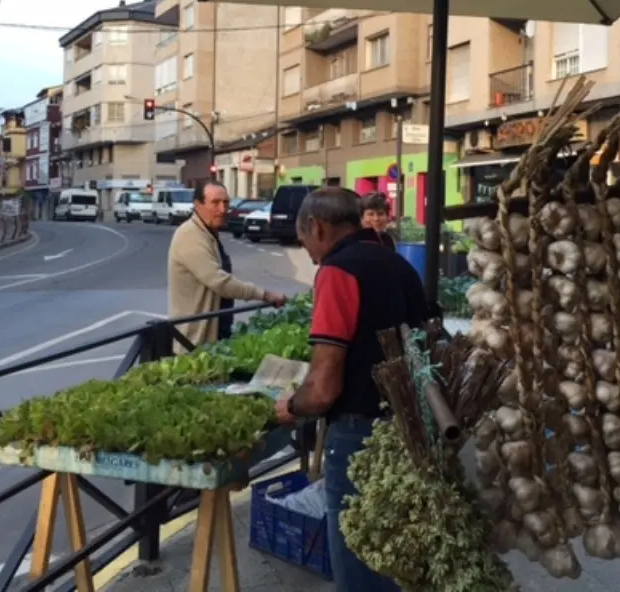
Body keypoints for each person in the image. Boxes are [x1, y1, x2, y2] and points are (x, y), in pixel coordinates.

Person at [276, 186, 426, 592]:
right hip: (408, 428)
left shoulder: (337, 271)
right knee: (395, 555)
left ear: (318, 227)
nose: (306, 251)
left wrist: (292, 404)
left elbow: (324, 387)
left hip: (361, 435)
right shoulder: (397, 265)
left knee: (360, 562)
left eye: (304, 239)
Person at [168, 180, 286, 351]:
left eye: (226, 203)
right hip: (195, 342)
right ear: (197, 205)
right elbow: (219, 281)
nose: (222, 210)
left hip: (213, 335)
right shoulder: (189, 235)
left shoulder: (207, 232)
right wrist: (265, 295)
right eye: (215, 203)